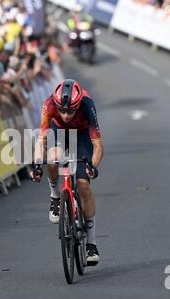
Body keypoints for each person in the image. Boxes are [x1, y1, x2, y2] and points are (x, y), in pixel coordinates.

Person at [30, 79, 104, 266]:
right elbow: (41, 141)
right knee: (53, 157)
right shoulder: (49, 105)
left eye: (70, 111)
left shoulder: (87, 104)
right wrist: (37, 165)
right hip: (59, 134)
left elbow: (98, 145)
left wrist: (92, 166)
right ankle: (55, 196)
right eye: (62, 110)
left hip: (82, 137)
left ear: (77, 105)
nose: (65, 115)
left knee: (83, 185)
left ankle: (91, 243)